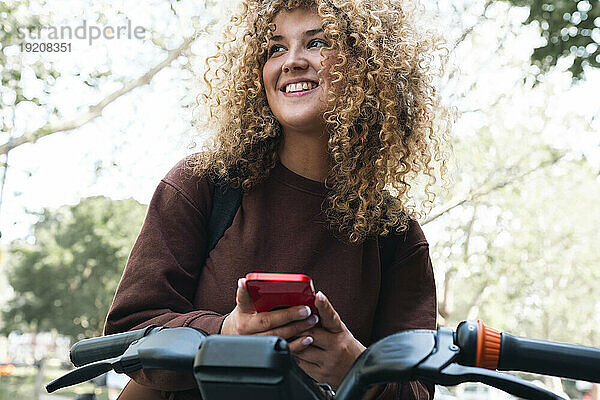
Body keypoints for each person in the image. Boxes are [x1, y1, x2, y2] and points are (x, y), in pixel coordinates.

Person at [104, 0, 452, 399]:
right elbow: (127, 334)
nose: (292, 61)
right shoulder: (203, 186)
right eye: (274, 48)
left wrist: (357, 371)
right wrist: (224, 333)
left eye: (317, 42)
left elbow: (419, 388)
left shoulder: (396, 236)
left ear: (368, 65)